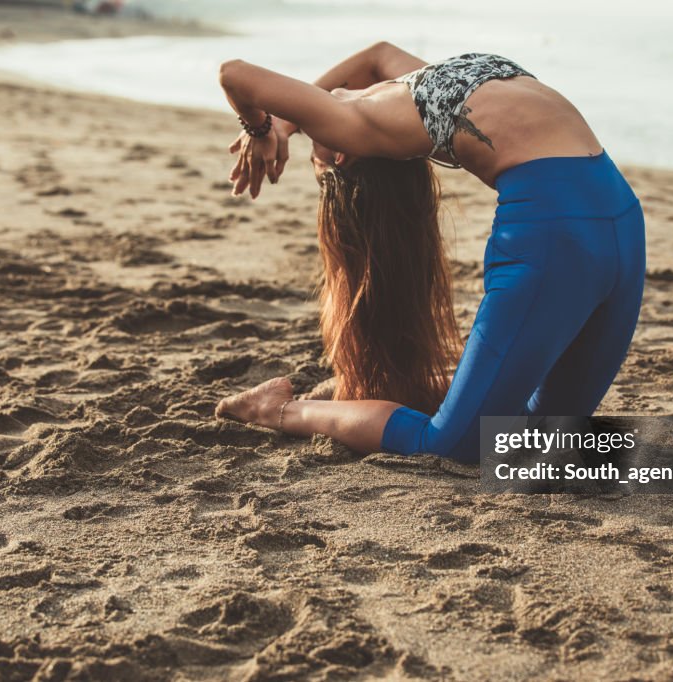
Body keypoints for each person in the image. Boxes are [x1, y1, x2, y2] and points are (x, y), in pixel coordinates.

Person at [215, 42, 645, 464]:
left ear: (341, 155)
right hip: (613, 220)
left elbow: (236, 73)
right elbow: (373, 58)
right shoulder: (409, 92)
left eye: (316, 157)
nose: (316, 134)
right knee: (537, 435)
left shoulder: (381, 103)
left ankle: (278, 410)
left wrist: (268, 129)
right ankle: (284, 408)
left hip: (569, 233)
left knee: (466, 444)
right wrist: (280, 125)